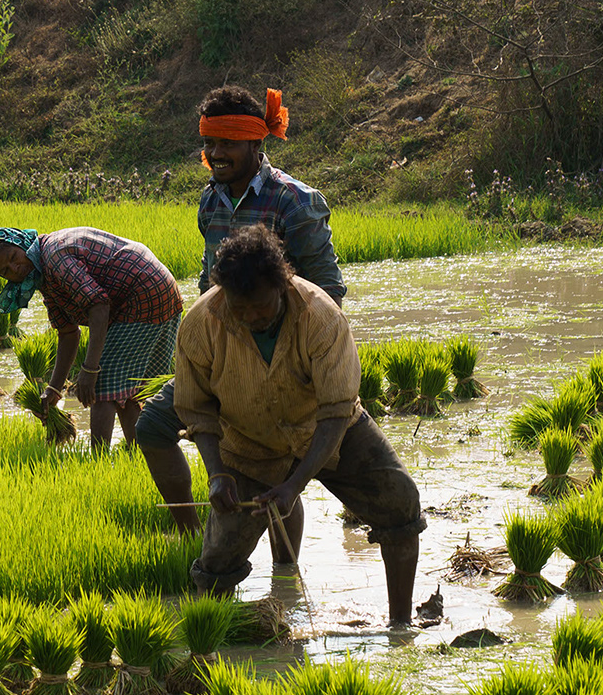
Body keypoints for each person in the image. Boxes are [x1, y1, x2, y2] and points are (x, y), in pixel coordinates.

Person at [174, 226, 423, 627]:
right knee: (219, 556)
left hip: (326, 430)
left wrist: (295, 484)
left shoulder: (319, 315)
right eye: (241, 309)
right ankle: (207, 643)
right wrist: (217, 474)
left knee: (400, 500)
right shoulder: (201, 323)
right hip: (247, 441)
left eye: (261, 307)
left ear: (282, 285)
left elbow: (336, 410)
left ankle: (400, 627)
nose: (252, 318)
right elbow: (196, 409)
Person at [138, 86, 345, 560]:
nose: (215, 153)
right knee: (153, 425)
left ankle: (285, 573)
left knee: (276, 466)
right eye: (209, 143)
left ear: (255, 141)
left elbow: (328, 293)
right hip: (223, 355)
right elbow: (209, 285)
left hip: (282, 356)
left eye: (227, 143)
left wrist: (295, 357)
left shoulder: (295, 202)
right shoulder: (211, 201)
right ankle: (193, 538)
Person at [0, 225, 182, 449]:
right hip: (160, 287)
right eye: (5, 270)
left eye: (13, 257)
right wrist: (54, 389)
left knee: (103, 386)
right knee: (131, 392)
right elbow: (68, 333)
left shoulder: (54, 257)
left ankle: (98, 460)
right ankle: (145, 456)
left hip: (143, 292)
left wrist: (90, 369)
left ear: (22, 244)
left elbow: (98, 305)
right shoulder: (44, 275)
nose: (15, 268)